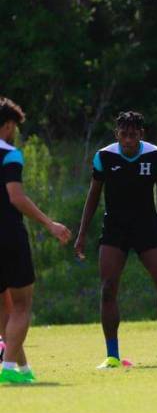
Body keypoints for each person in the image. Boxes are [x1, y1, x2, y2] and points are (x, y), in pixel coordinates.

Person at [74, 111, 157, 369]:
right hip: (115, 228)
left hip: (147, 227)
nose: (128, 140)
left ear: (141, 134)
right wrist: (81, 235)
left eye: (133, 134)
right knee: (108, 287)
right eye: (124, 134)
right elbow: (93, 197)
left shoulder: (156, 156)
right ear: (117, 135)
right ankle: (112, 355)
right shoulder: (104, 157)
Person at [0, 97, 72, 384]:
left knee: (5, 307)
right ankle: (7, 369)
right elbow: (16, 197)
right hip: (8, 235)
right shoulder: (10, 154)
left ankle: (23, 369)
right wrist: (49, 223)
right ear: (7, 126)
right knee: (21, 305)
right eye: (14, 127)